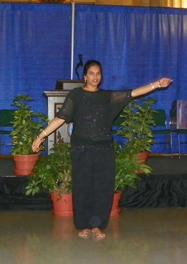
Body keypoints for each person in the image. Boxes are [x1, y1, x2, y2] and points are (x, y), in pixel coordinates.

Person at [32, 60, 173, 240]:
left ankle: (97, 225)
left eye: (98, 73)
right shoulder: (76, 95)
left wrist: (157, 85)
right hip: (81, 148)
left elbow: (132, 94)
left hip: (104, 149)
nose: (95, 77)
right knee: (82, 187)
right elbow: (61, 117)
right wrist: (41, 135)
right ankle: (83, 226)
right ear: (85, 76)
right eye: (91, 73)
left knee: (103, 188)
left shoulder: (107, 97)